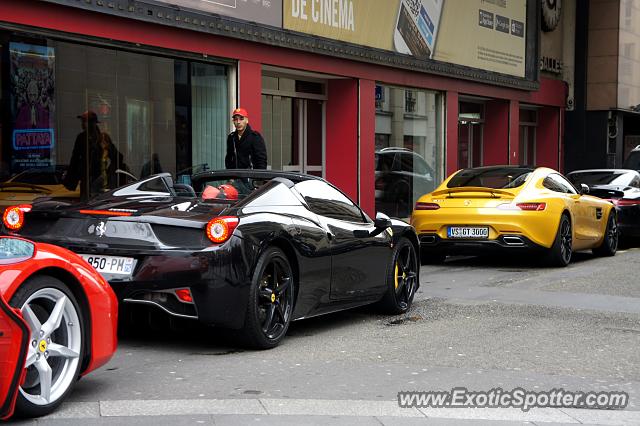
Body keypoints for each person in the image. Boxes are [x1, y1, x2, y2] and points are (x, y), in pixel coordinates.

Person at [63, 111, 124, 199]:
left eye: (85, 121)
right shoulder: (82, 138)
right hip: (87, 180)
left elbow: (118, 157)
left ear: (91, 123)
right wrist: (71, 180)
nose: (83, 124)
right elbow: (75, 159)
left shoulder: (101, 138)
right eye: (83, 121)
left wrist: (108, 172)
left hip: (99, 180)